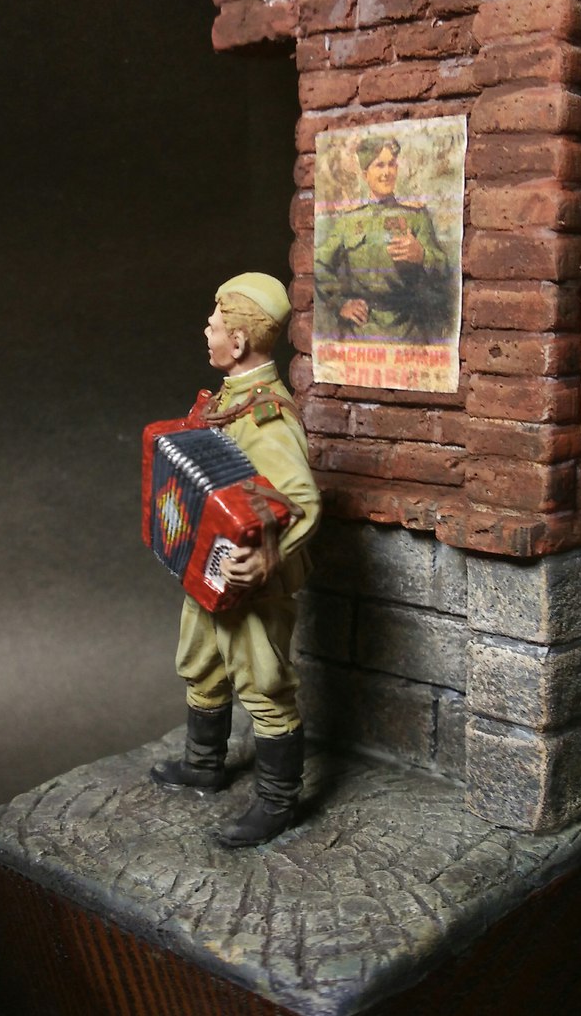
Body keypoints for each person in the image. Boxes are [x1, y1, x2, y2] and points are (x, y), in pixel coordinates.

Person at [151, 272, 321, 849]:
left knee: (264, 684)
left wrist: (267, 558)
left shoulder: (267, 417)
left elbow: (301, 502)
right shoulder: (227, 402)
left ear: (240, 341)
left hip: (253, 582)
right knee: (201, 662)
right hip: (209, 570)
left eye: (214, 324)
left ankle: (277, 802)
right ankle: (203, 764)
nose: (207, 332)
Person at [313, 136, 454, 341]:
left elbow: (444, 269)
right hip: (360, 331)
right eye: (379, 165)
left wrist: (422, 255)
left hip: (407, 330)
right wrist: (339, 303)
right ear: (365, 174)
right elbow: (319, 262)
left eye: (391, 164)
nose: (386, 172)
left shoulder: (415, 216)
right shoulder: (349, 220)